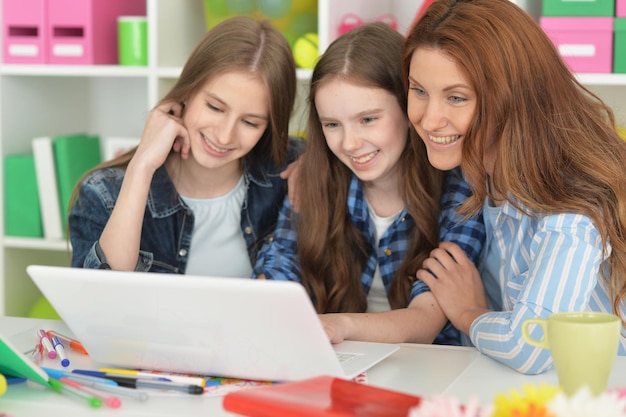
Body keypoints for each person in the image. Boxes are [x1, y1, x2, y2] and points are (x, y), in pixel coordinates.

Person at [406, 0, 626, 374]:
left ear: (514, 97)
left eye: (456, 97)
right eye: (419, 91)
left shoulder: (573, 203)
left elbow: (530, 344)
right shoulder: (477, 173)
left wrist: (468, 313)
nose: (429, 119)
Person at [254, 22, 484, 345]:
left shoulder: (458, 191)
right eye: (332, 124)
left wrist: (339, 326)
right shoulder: (313, 179)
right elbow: (280, 268)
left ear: (408, 108)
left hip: (430, 373)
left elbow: (427, 317)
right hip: (341, 366)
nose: (350, 143)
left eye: (367, 120)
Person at [69, 16, 303, 276]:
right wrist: (142, 166)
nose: (225, 137)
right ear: (188, 92)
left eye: (250, 122)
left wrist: (318, 166)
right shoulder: (103, 193)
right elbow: (101, 296)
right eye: (215, 107)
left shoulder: (288, 170)